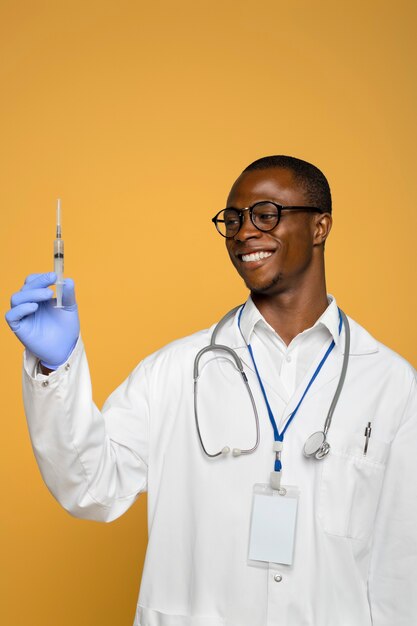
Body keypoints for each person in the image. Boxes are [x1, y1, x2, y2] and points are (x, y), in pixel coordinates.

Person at [6, 155, 417, 626]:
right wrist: (57, 367)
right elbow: (90, 485)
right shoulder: (174, 371)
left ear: (320, 226)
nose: (244, 233)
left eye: (266, 214)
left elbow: (401, 571)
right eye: (234, 220)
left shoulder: (390, 384)